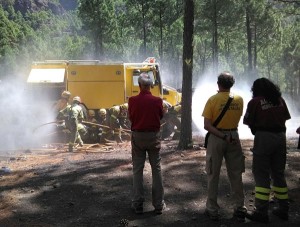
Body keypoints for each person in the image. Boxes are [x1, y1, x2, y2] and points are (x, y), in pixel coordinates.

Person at [243, 77, 291, 223]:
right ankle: (283, 209)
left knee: (261, 174)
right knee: (278, 174)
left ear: (256, 90)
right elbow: (285, 118)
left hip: (264, 138)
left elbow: (248, 121)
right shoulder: (280, 100)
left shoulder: (255, 102)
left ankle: (262, 212)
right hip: (281, 138)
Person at [202, 72, 247, 221]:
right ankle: (239, 207)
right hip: (234, 137)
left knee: (213, 173)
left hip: (217, 138)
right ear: (232, 84)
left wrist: (222, 136)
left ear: (218, 83)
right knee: (236, 174)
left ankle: (212, 209)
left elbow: (207, 125)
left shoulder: (212, 100)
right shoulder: (239, 100)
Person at [128, 72, 166, 215]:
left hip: (138, 136)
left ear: (139, 85)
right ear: (150, 85)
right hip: (153, 136)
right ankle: (158, 205)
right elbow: (161, 116)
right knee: (156, 169)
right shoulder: (157, 101)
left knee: (138, 170)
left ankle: (137, 204)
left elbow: (131, 117)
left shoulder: (132, 100)